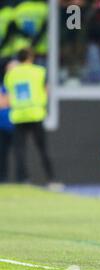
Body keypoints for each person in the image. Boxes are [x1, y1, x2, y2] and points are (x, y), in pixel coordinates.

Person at [3, 49, 55, 184]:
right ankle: (51, 179)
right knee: (42, 148)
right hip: (36, 113)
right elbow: (47, 90)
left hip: (19, 115)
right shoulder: (39, 71)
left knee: (19, 150)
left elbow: (8, 94)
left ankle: (23, 179)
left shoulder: (11, 74)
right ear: (30, 57)